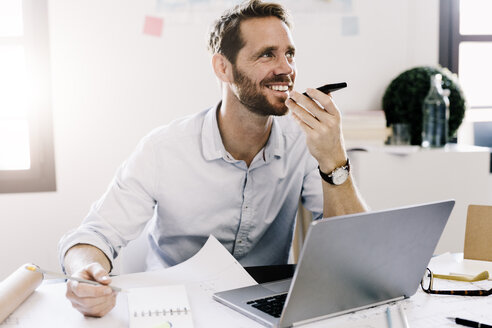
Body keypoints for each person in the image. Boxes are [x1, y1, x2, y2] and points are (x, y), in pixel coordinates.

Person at [58, 0, 367, 317]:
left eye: (289, 54)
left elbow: (360, 251)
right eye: (267, 54)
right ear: (223, 67)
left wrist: (334, 161)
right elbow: (91, 237)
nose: (287, 69)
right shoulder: (164, 149)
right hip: (178, 307)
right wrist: (85, 275)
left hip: (267, 305)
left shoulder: (304, 141)